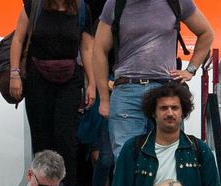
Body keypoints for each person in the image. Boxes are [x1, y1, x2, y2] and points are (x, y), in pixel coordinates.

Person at [91, 0, 214, 160]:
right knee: (127, 161)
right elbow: (99, 49)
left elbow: (206, 32)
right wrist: (104, 100)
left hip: (163, 90)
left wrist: (190, 70)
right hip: (128, 89)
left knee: (169, 160)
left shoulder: (176, 2)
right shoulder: (115, 3)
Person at [7, 0, 96, 183]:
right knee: (41, 139)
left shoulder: (81, 8)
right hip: (37, 78)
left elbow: (86, 48)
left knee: (67, 141)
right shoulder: (33, 5)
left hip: (70, 79)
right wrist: (14, 74)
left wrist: (92, 83)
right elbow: (18, 39)